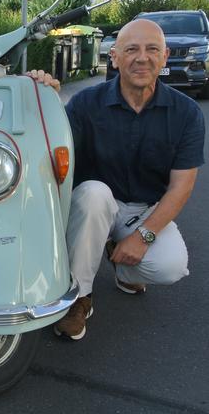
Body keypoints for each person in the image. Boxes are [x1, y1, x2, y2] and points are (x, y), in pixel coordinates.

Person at [53, 19, 205, 340]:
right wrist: (44, 98)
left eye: (152, 49)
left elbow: (182, 186)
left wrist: (143, 237)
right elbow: (52, 148)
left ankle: (122, 266)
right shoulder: (85, 104)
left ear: (164, 57)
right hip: (94, 207)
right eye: (131, 49)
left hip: (144, 211)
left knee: (171, 266)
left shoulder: (187, 113)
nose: (142, 57)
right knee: (94, 194)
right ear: (114, 58)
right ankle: (79, 296)